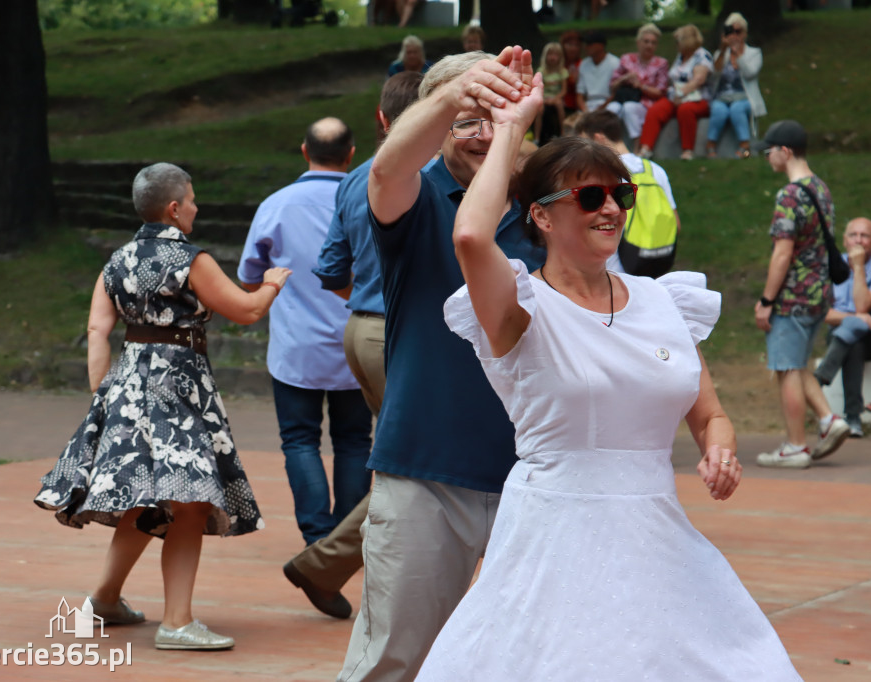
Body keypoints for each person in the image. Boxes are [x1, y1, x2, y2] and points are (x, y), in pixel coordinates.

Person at [415, 46, 801, 681]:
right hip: (554, 540)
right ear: (539, 214)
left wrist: (720, 447)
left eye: (621, 192)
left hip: (657, 541)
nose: (612, 208)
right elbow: (469, 236)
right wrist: (512, 124)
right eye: (591, 195)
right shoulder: (520, 305)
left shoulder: (664, 301)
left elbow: (710, 414)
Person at [337, 49, 546, 682]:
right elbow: (388, 168)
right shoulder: (418, 194)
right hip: (427, 469)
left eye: (496, 114)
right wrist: (452, 97)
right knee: (394, 660)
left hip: (540, 478)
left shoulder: (549, 204)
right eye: (465, 119)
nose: (483, 132)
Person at [35, 163, 291, 650]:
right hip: (179, 386)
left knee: (144, 495)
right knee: (189, 502)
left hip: (128, 382)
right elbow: (248, 310)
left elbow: (97, 330)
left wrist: (102, 395)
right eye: (191, 200)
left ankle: (105, 600)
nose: (196, 207)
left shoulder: (118, 260)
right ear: (174, 208)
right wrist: (274, 283)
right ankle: (177, 623)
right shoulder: (192, 260)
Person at [282, 72, 423, 621]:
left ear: (381, 119)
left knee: (405, 460)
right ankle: (326, 563)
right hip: (402, 333)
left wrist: (367, 299)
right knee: (415, 463)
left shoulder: (356, 176)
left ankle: (337, 564)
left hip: (361, 329)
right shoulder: (430, 175)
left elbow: (331, 269)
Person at [238, 118, 373, 547]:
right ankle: (346, 540)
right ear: (351, 153)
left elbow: (248, 279)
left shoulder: (276, 205)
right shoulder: (370, 198)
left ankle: (317, 537)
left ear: (304, 151)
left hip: (297, 351)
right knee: (355, 441)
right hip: (357, 343)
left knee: (300, 441)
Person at [752, 120, 850, 469]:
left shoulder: (789, 194)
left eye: (770, 151)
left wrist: (766, 300)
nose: (768, 157)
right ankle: (829, 420)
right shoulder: (821, 189)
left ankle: (795, 446)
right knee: (798, 363)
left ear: (786, 151)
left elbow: (783, 252)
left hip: (791, 296)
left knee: (787, 368)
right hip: (819, 293)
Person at [575, 110, 680, 276]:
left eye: (585, 143)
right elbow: (676, 223)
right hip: (653, 263)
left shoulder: (601, 173)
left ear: (598, 138)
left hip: (615, 269)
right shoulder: (654, 169)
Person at [812, 218, 871, 439]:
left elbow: (864, 305)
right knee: (854, 342)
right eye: (854, 235)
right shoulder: (832, 267)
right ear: (845, 240)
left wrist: (859, 267)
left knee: (857, 335)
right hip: (845, 335)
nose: (858, 240)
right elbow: (824, 313)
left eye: (864, 235)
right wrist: (855, 318)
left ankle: (823, 375)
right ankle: (853, 418)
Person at [637, 24, 712, 161]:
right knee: (656, 110)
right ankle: (646, 149)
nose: (676, 44)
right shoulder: (681, 56)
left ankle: (687, 151)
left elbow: (698, 80)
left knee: (686, 110)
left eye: (678, 41)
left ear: (686, 40)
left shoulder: (702, 55)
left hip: (697, 99)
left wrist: (681, 94)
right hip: (675, 97)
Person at [707, 12, 766, 160]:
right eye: (730, 32)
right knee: (718, 110)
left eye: (738, 32)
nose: (734, 35)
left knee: (737, 109)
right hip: (722, 97)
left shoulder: (754, 53)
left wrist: (738, 54)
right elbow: (714, 74)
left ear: (745, 33)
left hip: (744, 97)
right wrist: (722, 50)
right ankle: (710, 146)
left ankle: (745, 147)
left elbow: (750, 73)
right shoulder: (721, 53)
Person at [605, 23, 669, 142]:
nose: (649, 45)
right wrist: (625, 78)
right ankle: (607, 146)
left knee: (629, 108)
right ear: (638, 42)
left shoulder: (661, 63)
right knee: (611, 109)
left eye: (653, 42)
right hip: (623, 98)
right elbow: (612, 87)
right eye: (646, 41)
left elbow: (660, 92)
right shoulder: (626, 59)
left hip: (646, 103)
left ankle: (637, 146)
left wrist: (641, 86)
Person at [575, 30, 619, 114]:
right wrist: (585, 110)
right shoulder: (584, 64)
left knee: (614, 108)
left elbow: (616, 94)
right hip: (588, 105)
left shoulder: (615, 63)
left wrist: (601, 108)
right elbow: (579, 95)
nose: (586, 47)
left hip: (608, 104)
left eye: (590, 44)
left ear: (601, 46)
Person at [534, 41, 570, 145]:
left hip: (556, 98)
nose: (552, 57)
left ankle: (563, 133)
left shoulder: (562, 72)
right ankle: (537, 137)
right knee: (539, 110)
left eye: (555, 55)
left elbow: (564, 90)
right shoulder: (541, 71)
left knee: (559, 105)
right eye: (550, 54)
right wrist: (544, 98)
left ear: (560, 57)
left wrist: (555, 98)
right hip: (544, 97)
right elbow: (538, 87)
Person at [559, 30, 583, 117]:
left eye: (576, 45)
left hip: (575, 103)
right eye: (569, 45)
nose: (573, 48)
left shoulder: (582, 64)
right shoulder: (558, 63)